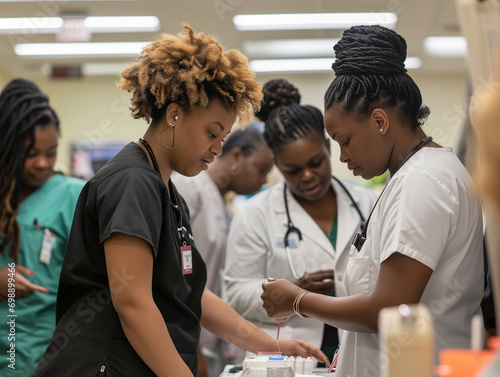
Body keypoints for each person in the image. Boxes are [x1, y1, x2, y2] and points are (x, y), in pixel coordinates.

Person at [32, 25, 328, 377]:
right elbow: (133, 303)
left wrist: (271, 346)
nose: (218, 148)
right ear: (173, 114)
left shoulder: (167, 192)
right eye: (211, 133)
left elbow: (191, 295)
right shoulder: (132, 182)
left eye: (224, 136)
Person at [260, 25, 484, 377]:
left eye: (344, 140)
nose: (342, 157)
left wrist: (297, 300)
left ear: (379, 121)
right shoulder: (416, 175)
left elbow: (389, 309)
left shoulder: (423, 181)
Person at [224, 79, 377, 365]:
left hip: (359, 351)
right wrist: (294, 290)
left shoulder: (366, 203)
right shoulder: (256, 213)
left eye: (315, 162)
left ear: (328, 149)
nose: (307, 176)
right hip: (289, 356)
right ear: (277, 165)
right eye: (292, 170)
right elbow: (234, 293)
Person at [171, 126, 273, 376]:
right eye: (262, 170)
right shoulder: (190, 186)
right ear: (236, 157)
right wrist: (192, 350)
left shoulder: (220, 201)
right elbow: (172, 275)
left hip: (201, 337)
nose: (264, 180)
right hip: (180, 340)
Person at [0, 78, 85, 375]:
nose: (41, 163)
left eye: (50, 153)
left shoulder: (71, 195)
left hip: (40, 359)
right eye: (30, 153)